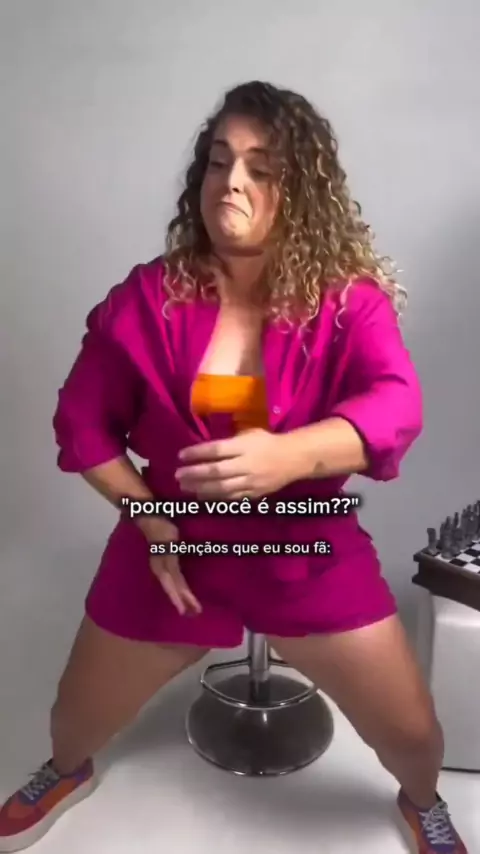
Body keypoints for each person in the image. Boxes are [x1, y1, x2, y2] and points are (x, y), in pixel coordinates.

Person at [0, 80, 467, 854]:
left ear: (302, 188)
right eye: (219, 162)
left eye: (261, 167)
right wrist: (150, 518)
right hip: (175, 548)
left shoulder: (348, 302)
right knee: (69, 724)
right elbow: (81, 423)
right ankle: (65, 772)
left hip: (303, 545)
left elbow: (396, 404)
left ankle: (425, 805)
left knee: (417, 740)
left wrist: (291, 454)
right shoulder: (147, 298)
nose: (232, 183)